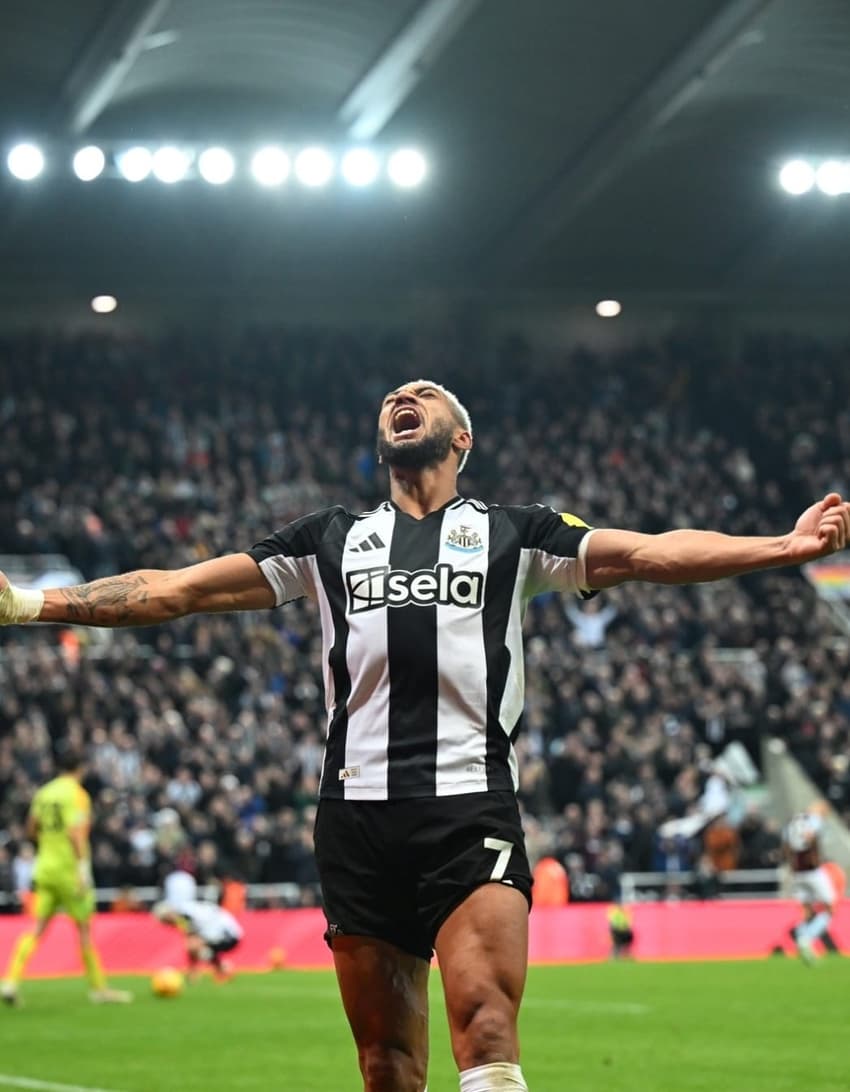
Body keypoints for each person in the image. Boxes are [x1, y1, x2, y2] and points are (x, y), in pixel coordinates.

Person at [0, 379, 847, 1091]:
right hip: (356, 818)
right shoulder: (327, 539)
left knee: (484, 1029)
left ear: (462, 438)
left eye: (427, 394)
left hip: (466, 805)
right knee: (388, 1065)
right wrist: (31, 603)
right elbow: (175, 589)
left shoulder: (518, 533)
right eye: (394, 397)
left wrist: (784, 546)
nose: (405, 395)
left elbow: (654, 553)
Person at [1, 744, 132, 1006]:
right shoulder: (78, 795)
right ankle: (99, 988)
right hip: (70, 871)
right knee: (84, 929)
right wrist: (82, 868)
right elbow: (75, 832)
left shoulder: (44, 793)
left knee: (36, 928)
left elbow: (31, 828)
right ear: (80, 768)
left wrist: (49, 843)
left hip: (45, 868)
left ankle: (10, 981)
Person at [783, 802, 839, 965]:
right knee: (830, 908)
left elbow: (786, 847)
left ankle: (802, 940)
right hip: (813, 872)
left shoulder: (790, 825)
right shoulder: (813, 821)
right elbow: (811, 834)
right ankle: (806, 938)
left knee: (807, 912)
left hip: (797, 873)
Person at [152, 898, 243, 981]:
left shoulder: (183, 916)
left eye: (165, 921)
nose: (167, 925)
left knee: (195, 947)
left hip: (227, 933)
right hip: (227, 930)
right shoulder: (184, 909)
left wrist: (192, 969)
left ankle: (221, 969)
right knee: (203, 950)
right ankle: (223, 969)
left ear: (168, 915)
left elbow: (191, 942)